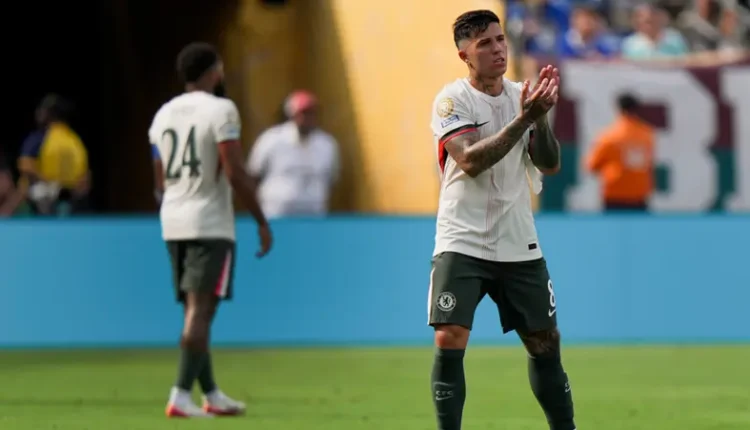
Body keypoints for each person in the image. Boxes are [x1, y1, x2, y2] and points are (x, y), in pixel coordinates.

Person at [428, 10, 576, 430]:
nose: (497, 49)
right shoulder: (451, 100)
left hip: (518, 240)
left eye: (499, 40)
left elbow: (549, 164)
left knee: (544, 343)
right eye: (484, 44)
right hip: (462, 239)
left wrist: (540, 116)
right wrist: (525, 118)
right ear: (464, 55)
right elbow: (470, 160)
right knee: (450, 336)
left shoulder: (522, 95)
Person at [149, 42, 273, 418]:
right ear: (214, 72)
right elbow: (234, 171)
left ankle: (212, 394)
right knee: (201, 312)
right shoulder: (221, 110)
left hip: (173, 219)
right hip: (209, 221)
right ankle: (180, 395)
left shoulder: (163, 114)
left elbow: (158, 178)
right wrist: (261, 220)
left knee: (193, 311)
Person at [246, 90, 340, 219]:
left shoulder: (327, 144)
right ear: (291, 115)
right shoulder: (271, 139)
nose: (308, 118)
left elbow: (331, 178)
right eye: (303, 113)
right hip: (277, 213)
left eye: (312, 113)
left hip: (314, 213)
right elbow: (254, 174)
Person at [16, 95, 91, 216]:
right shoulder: (75, 141)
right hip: (67, 195)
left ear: (48, 114)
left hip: (48, 193)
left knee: (29, 189)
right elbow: (85, 176)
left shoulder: (41, 137)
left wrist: (47, 180)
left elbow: (24, 165)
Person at [586, 93, 654, 212]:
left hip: (614, 196)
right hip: (639, 196)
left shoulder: (609, 136)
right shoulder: (647, 135)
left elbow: (592, 165)